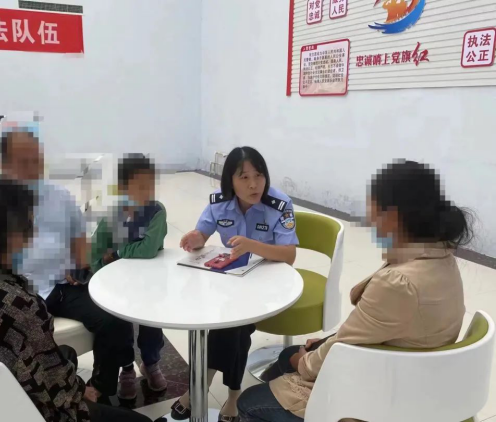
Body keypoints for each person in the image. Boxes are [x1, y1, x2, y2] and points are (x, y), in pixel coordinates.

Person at [237, 160, 472, 422]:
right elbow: (376, 326)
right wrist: (324, 344)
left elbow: (343, 347)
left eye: (373, 210)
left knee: (249, 402)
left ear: (392, 216)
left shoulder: (398, 283)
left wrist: (306, 361)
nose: (369, 220)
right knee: (286, 355)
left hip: (384, 394)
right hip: (412, 373)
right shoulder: (441, 257)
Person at [0, 178, 150, 422]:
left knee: (66, 353)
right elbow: (58, 392)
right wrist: (81, 392)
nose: (33, 233)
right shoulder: (22, 305)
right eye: (28, 227)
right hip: (17, 409)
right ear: (9, 237)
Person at [0, 125, 140, 402]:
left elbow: (79, 239)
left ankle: (101, 387)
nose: (33, 168)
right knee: (20, 342)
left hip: (58, 285)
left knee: (113, 314)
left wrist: (79, 265)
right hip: (8, 294)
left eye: (37, 160)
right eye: (23, 161)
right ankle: (39, 394)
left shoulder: (59, 196)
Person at [173, 147, 299, 422]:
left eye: (259, 175)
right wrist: (195, 238)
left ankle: (202, 386)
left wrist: (252, 246)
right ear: (230, 180)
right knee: (232, 326)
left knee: (233, 324)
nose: (254, 184)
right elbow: (203, 233)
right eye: (244, 177)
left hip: (269, 282)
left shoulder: (279, 204)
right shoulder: (220, 203)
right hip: (231, 282)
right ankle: (233, 394)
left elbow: (289, 255)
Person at [90, 154, 168, 398]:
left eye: (151, 185)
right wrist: (95, 275)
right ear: (123, 188)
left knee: (151, 322)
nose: (148, 192)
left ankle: (151, 363)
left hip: (150, 281)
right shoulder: (112, 215)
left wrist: (118, 253)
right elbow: (96, 249)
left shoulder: (157, 211)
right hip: (120, 283)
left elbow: (149, 248)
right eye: (140, 186)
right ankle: (126, 368)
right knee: (120, 324)